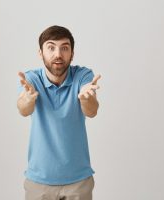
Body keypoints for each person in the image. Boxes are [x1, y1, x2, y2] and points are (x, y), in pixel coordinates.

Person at [17, 25, 101, 200]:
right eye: (51, 47)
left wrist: (86, 98)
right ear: (40, 53)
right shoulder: (31, 79)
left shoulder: (83, 76)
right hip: (39, 181)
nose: (58, 54)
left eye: (64, 48)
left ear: (72, 53)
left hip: (78, 182)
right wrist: (27, 99)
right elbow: (24, 109)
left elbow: (92, 111)